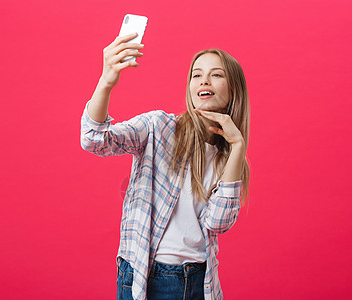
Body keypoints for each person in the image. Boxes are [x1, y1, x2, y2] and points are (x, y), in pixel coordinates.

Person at [80, 33, 250, 300]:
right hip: (147, 277)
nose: (204, 80)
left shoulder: (228, 157)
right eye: (197, 75)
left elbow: (217, 223)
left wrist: (238, 146)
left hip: (199, 280)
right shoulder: (158, 128)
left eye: (216, 75)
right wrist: (106, 82)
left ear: (233, 92)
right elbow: (95, 139)